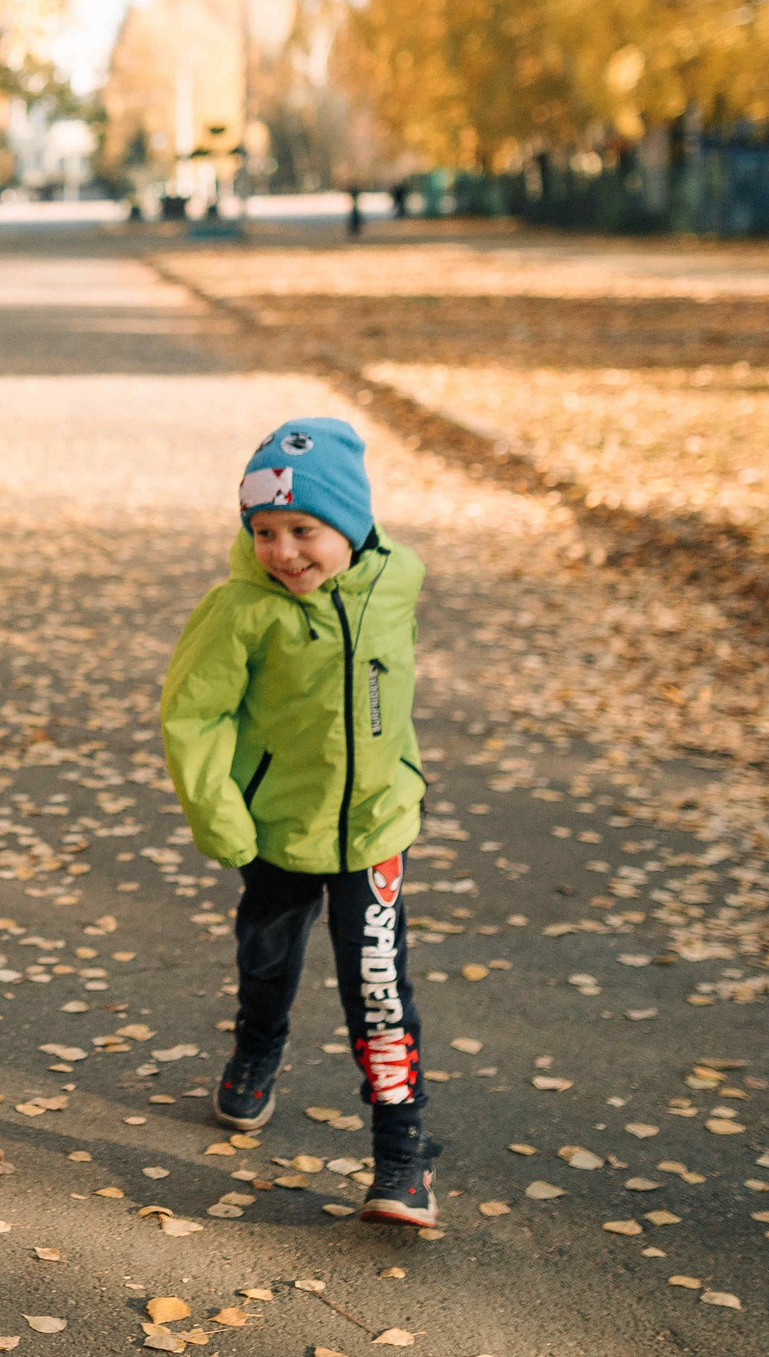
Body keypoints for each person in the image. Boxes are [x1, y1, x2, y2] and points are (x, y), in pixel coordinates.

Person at [157, 417, 440, 1227]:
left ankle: (402, 1154)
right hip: (275, 831)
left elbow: (389, 694)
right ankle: (256, 1044)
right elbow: (194, 714)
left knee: (380, 990)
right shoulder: (241, 608)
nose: (284, 552)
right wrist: (225, 821)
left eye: (304, 530)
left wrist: (404, 773)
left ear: (350, 525)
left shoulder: (398, 584)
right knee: (268, 961)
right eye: (266, 531)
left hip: (376, 829)